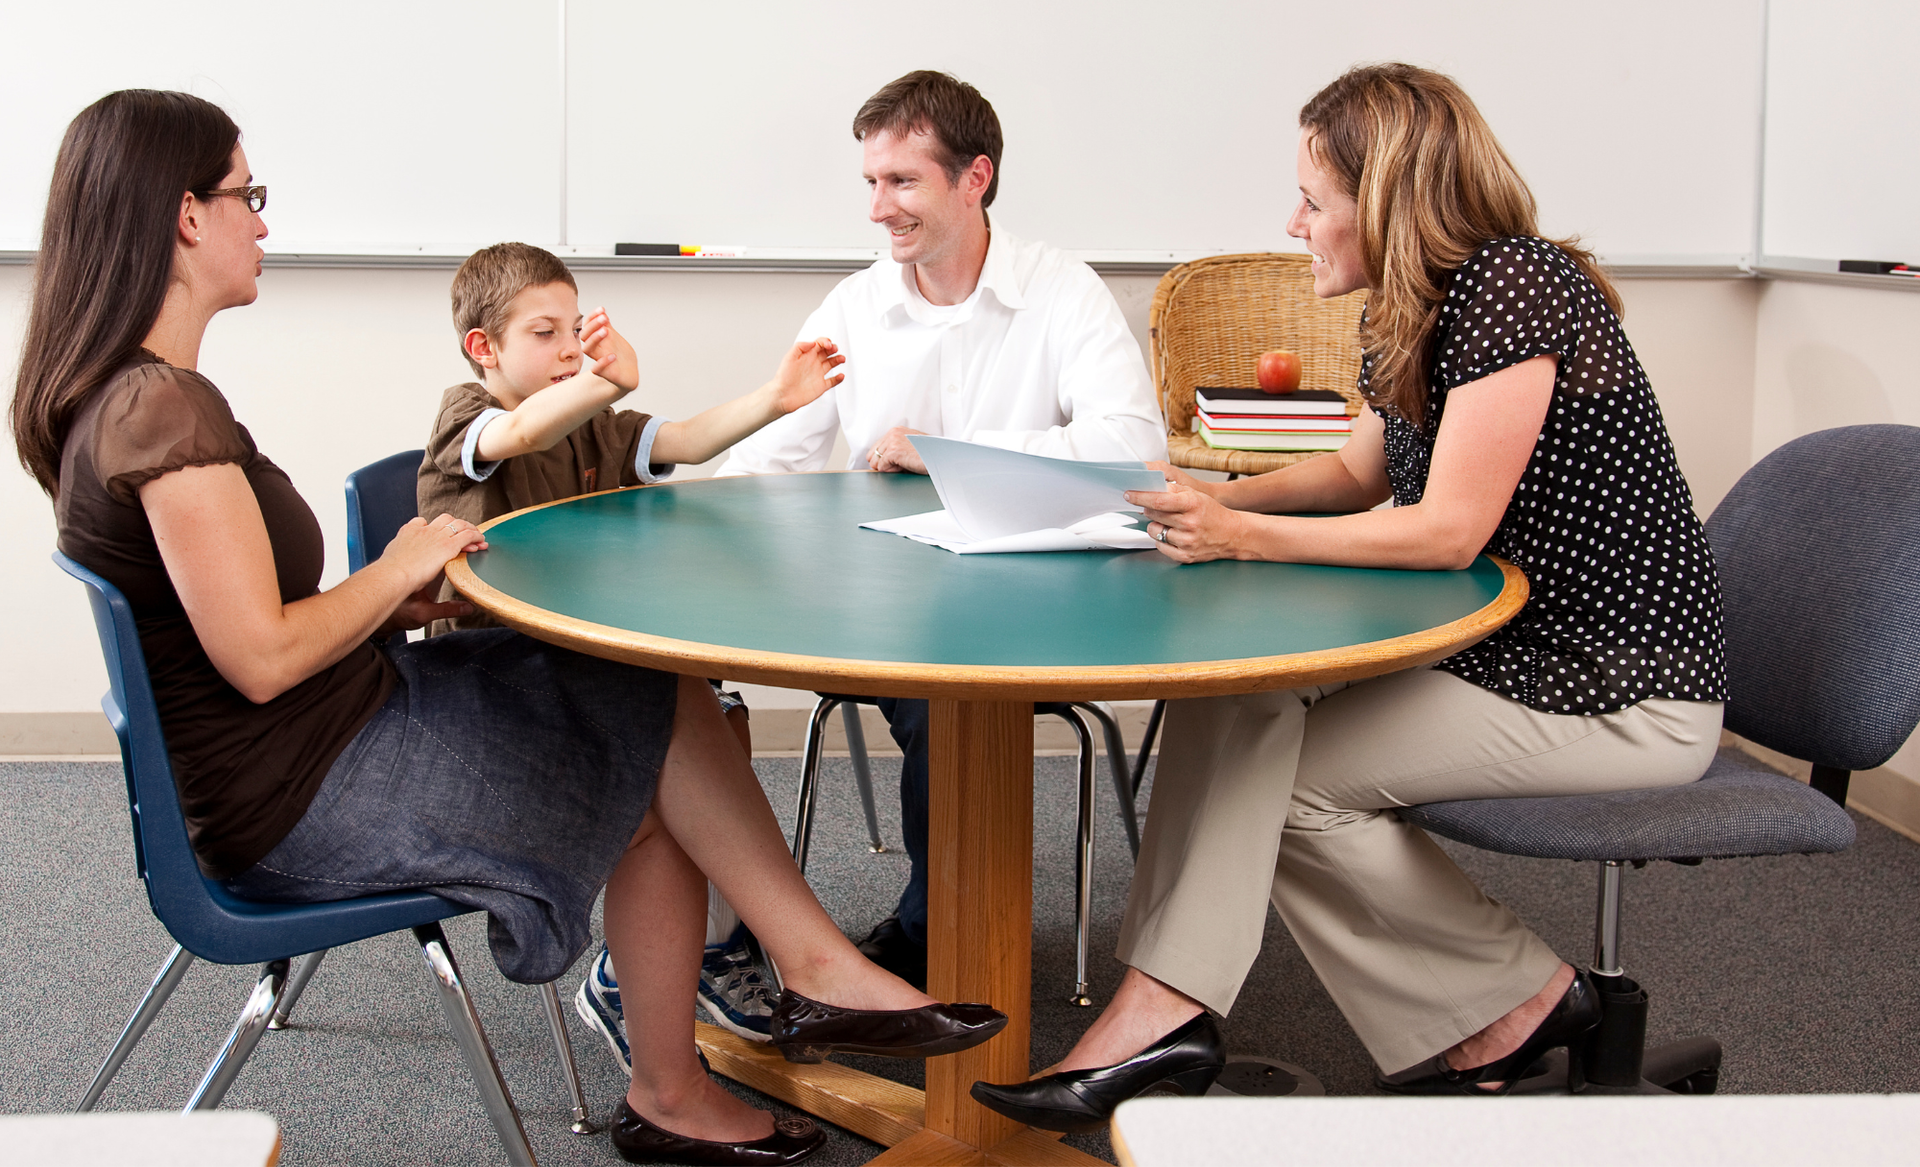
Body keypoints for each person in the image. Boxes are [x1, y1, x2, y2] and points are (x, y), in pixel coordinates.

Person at [13, 90, 1007, 1167]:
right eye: (246, 194)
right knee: (644, 741)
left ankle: (779, 991)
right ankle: (738, 1028)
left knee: (643, 682)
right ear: (182, 217)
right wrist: (395, 563)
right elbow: (258, 659)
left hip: (326, 723)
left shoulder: (136, 399)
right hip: (299, 788)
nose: (262, 218)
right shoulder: (161, 410)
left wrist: (407, 589)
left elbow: (242, 629)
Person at [971, 63, 1728, 1131]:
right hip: (1499, 653)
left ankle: (1508, 1003)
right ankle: (1213, 1011)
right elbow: (1356, 475)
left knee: (1284, 785)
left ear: (1385, 202)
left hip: (1616, 685)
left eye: (1314, 201)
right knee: (1235, 698)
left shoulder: (1518, 284)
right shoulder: (1408, 307)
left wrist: (1242, 535)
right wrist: (1214, 496)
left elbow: (1446, 525)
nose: (1295, 222)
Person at [717, 70, 1167, 985]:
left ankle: (936, 938)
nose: (880, 208)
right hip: (892, 607)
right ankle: (922, 929)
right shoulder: (853, 305)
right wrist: (691, 524)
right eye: (872, 184)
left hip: (1049, 603)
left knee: (947, 695)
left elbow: (1135, 451)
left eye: (903, 182)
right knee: (929, 690)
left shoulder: (1061, 291)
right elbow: (776, 456)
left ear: (976, 178)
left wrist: (949, 448)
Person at [416, 240, 844, 1056]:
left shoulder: (591, 426)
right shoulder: (466, 418)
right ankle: (650, 964)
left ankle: (712, 941)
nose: (571, 348)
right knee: (669, 724)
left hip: (576, 664)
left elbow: (682, 439)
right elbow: (514, 434)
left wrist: (776, 398)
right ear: (485, 347)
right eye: (545, 332)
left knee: (716, 704)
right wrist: (599, 381)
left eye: (576, 328)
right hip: (493, 688)